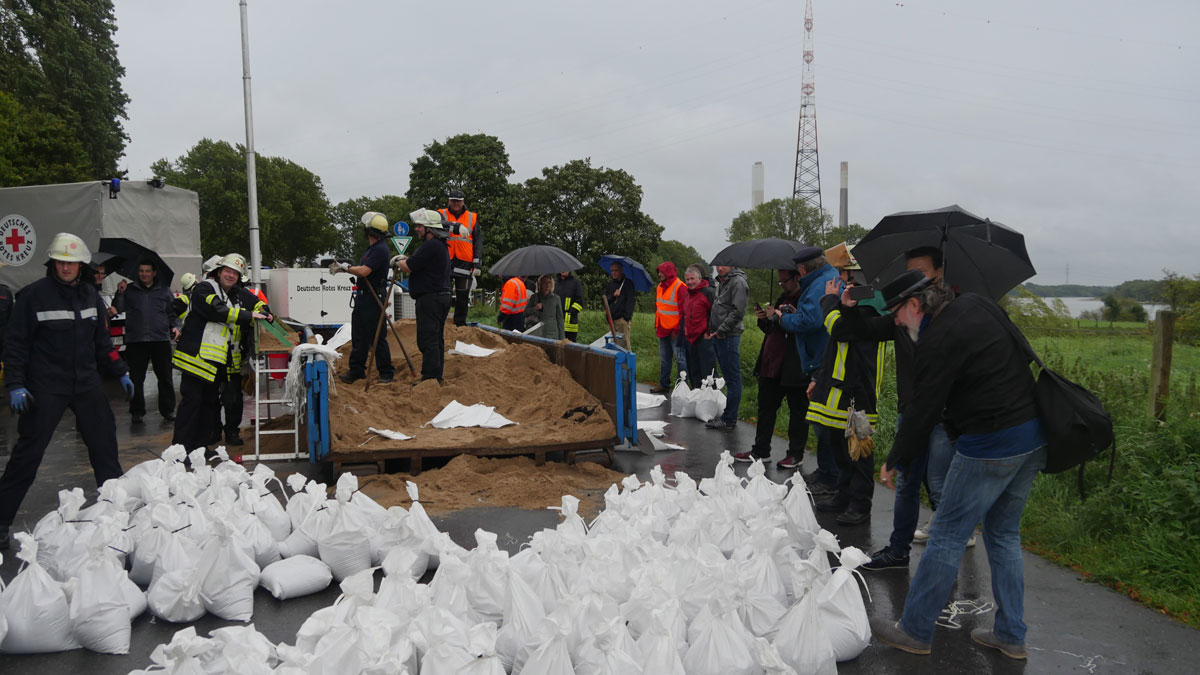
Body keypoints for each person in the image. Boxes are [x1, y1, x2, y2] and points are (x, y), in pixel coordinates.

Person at [869, 270, 1046, 660]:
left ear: (915, 305)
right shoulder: (977, 303)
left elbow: (924, 406)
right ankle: (1011, 634)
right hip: (1033, 434)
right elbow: (1020, 349)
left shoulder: (935, 340)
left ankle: (914, 630)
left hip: (991, 442)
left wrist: (896, 457)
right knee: (1003, 534)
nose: (896, 321)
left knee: (947, 534)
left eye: (897, 313)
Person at [0, 233, 134, 550]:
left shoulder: (89, 297)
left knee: (105, 448)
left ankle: (117, 515)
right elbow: (15, 345)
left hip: (86, 383)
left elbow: (102, 343)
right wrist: (15, 384)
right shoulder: (32, 296)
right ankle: (1, 520)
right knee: (27, 455)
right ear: (53, 262)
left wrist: (121, 371)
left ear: (80, 265)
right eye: (61, 261)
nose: (66, 267)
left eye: (72, 262)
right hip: (46, 385)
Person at [841, 246, 967, 572]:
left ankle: (947, 556)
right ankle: (899, 551)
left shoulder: (951, 316)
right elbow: (864, 332)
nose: (917, 278)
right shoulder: (901, 317)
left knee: (939, 484)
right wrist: (850, 309)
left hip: (943, 416)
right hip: (910, 411)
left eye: (922, 271)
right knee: (908, 483)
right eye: (911, 271)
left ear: (939, 273)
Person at [806, 250, 885, 526]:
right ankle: (844, 494)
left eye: (843, 273)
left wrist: (827, 301)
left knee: (859, 450)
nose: (838, 278)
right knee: (839, 446)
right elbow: (833, 346)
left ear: (857, 275)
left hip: (858, 390)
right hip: (837, 386)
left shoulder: (869, 307)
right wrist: (819, 376)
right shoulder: (851, 302)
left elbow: (839, 330)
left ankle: (860, 504)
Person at [172, 253, 265, 451]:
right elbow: (217, 310)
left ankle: (198, 449)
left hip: (213, 364)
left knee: (207, 408)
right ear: (219, 271)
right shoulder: (205, 288)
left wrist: (264, 311)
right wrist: (248, 315)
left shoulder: (233, 293)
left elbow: (254, 303)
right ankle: (179, 451)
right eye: (228, 271)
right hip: (195, 361)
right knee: (191, 407)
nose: (231, 276)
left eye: (235, 273)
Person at [733, 269, 815, 471]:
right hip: (772, 362)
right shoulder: (783, 297)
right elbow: (772, 329)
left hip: (794, 364)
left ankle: (795, 454)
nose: (782, 285)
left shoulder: (806, 298)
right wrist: (765, 319)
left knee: (798, 411)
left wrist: (781, 317)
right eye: (779, 282)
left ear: (797, 278)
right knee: (766, 407)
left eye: (784, 281)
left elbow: (804, 326)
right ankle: (761, 450)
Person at [776, 245, 840, 475]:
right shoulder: (827, 277)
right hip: (824, 356)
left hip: (821, 359)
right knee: (823, 421)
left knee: (823, 423)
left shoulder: (818, 285)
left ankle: (829, 475)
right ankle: (829, 473)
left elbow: (811, 322)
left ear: (802, 269)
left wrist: (785, 319)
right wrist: (797, 312)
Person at [112, 256, 180, 424]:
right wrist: (119, 293)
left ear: (154, 273)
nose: (144, 274)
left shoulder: (164, 290)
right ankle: (137, 412)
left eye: (148, 271)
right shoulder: (128, 289)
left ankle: (168, 410)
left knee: (165, 377)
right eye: (141, 271)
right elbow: (116, 309)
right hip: (136, 340)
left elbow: (173, 313)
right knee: (136, 378)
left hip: (160, 339)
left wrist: (176, 326)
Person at [335, 212, 395, 384]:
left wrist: (346, 267)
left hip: (373, 297)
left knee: (377, 336)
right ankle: (356, 370)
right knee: (359, 335)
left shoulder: (380, 250)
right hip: (364, 297)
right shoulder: (372, 249)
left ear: (369, 231)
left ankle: (386, 372)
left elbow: (364, 271)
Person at [394, 208, 452, 383]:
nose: (417, 229)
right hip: (439, 297)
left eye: (420, 226)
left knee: (427, 338)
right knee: (435, 338)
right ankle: (436, 376)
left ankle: (430, 378)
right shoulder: (439, 245)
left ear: (429, 229)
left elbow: (409, 266)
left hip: (431, 299)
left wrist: (397, 261)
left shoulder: (430, 245)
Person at [705, 265, 748, 430]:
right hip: (719, 334)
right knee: (728, 376)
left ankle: (729, 418)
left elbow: (737, 311)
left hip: (728, 335)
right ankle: (728, 416)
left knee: (732, 378)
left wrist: (721, 330)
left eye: (723, 264)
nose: (719, 268)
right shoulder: (722, 282)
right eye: (717, 265)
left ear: (732, 265)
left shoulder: (738, 282)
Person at [438, 188, 482, 327]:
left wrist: (477, 263)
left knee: (463, 295)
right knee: (443, 293)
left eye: (458, 201)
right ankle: (441, 322)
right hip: (446, 259)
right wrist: (455, 226)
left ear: (463, 202)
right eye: (453, 201)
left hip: (464, 262)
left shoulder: (472, 217)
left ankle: (460, 324)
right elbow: (435, 224)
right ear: (449, 201)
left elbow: (478, 241)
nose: (456, 203)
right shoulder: (441, 214)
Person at [651, 261, 687, 394]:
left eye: (662, 272)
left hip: (675, 331)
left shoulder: (680, 286)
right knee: (665, 358)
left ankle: (681, 387)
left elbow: (684, 311)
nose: (659, 274)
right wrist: (656, 324)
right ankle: (664, 384)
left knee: (681, 359)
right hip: (662, 329)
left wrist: (678, 329)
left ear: (669, 272)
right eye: (659, 272)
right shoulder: (660, 287)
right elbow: (659, 307)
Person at [680, 264, 716, 389]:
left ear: (700, 279)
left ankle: (712, 401)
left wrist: (710, 331)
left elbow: (715, 314)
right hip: (690, 339)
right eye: (687, 279)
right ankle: (696, 398)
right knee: (693, 372)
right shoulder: (688, 295)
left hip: (704, 338)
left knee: (708, 373)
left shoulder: (708, 292)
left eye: (692, 279)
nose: (689, 282)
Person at [603, 261, 635, 349]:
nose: (613, 273)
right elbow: (605, 300)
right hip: (611, 319)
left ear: (622, 270)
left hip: (622, 320)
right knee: (612, 345)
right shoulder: (610, 285)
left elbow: (631, 301)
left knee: (624, 345)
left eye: (616, 270)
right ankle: (615, 363)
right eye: (612, 270)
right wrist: (613, 295)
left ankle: (626, 363)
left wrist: (626, 317)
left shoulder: (628, 284)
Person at [527, 275, 565, 340]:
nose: (547, 285)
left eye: (549, 282)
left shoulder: (556, 298)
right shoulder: (534, 297)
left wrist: (562, 338)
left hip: (552, 335)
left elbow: (560, 319)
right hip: (537, 333)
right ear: (540, 284)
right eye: (544, 282)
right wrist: (535, 308)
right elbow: (525, 312)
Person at [557, 270, 585, 342]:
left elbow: (580, 302)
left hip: (570, 324)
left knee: (569, 349)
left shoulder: (576, 282)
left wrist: (570, 311)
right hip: (557, 323)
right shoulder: (555, 282)